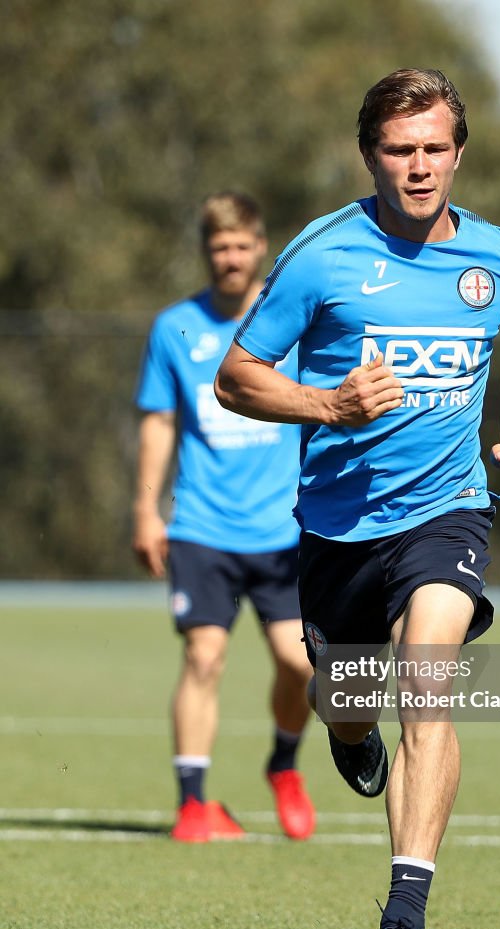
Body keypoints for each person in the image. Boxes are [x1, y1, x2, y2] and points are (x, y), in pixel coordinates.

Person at [215, 70, 500, 929]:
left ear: (458, 150)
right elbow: (236, 378)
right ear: (371, 155)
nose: (418, 166)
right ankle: (344, 731)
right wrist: (327, 403)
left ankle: (404, 918)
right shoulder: (322, 257)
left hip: (447, 513)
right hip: (336, 532)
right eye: (399, 150)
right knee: (350, 697)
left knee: (429, 683)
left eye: (434, 148)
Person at [132, 191, 315, 844]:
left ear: (261, 247)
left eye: (241, 246)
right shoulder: (174, 328)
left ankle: (284, 765)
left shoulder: (293, 316)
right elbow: (157, 422)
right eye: (219, 248)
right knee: (204, 657)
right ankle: (192, 804)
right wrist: (145, 510)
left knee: (302, 667)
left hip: (286, 530)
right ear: (206, 253)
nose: (231, 258)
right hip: (201, 526)